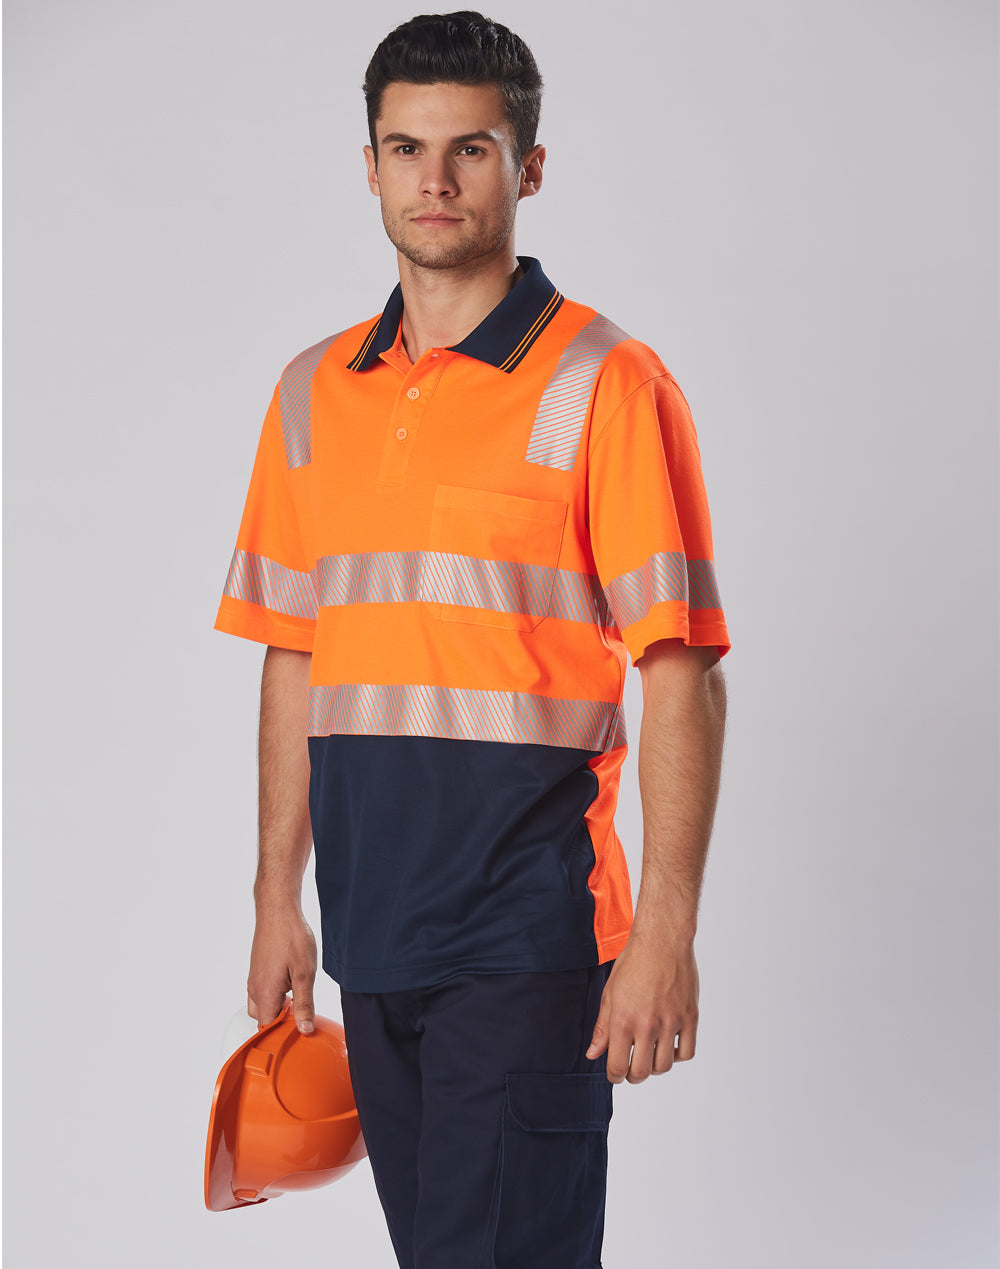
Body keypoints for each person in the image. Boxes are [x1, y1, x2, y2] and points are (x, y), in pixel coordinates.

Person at [215, 11, 730, 1267]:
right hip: (371, 933)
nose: (434, 180)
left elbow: (681, 667)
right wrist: (278, 898)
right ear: (370, 166)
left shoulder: (606, 382)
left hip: (527, 937)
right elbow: (296, 654)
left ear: (527, 168)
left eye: (471, 149)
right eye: (406, 148)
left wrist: (665, 928)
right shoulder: (311, 392)